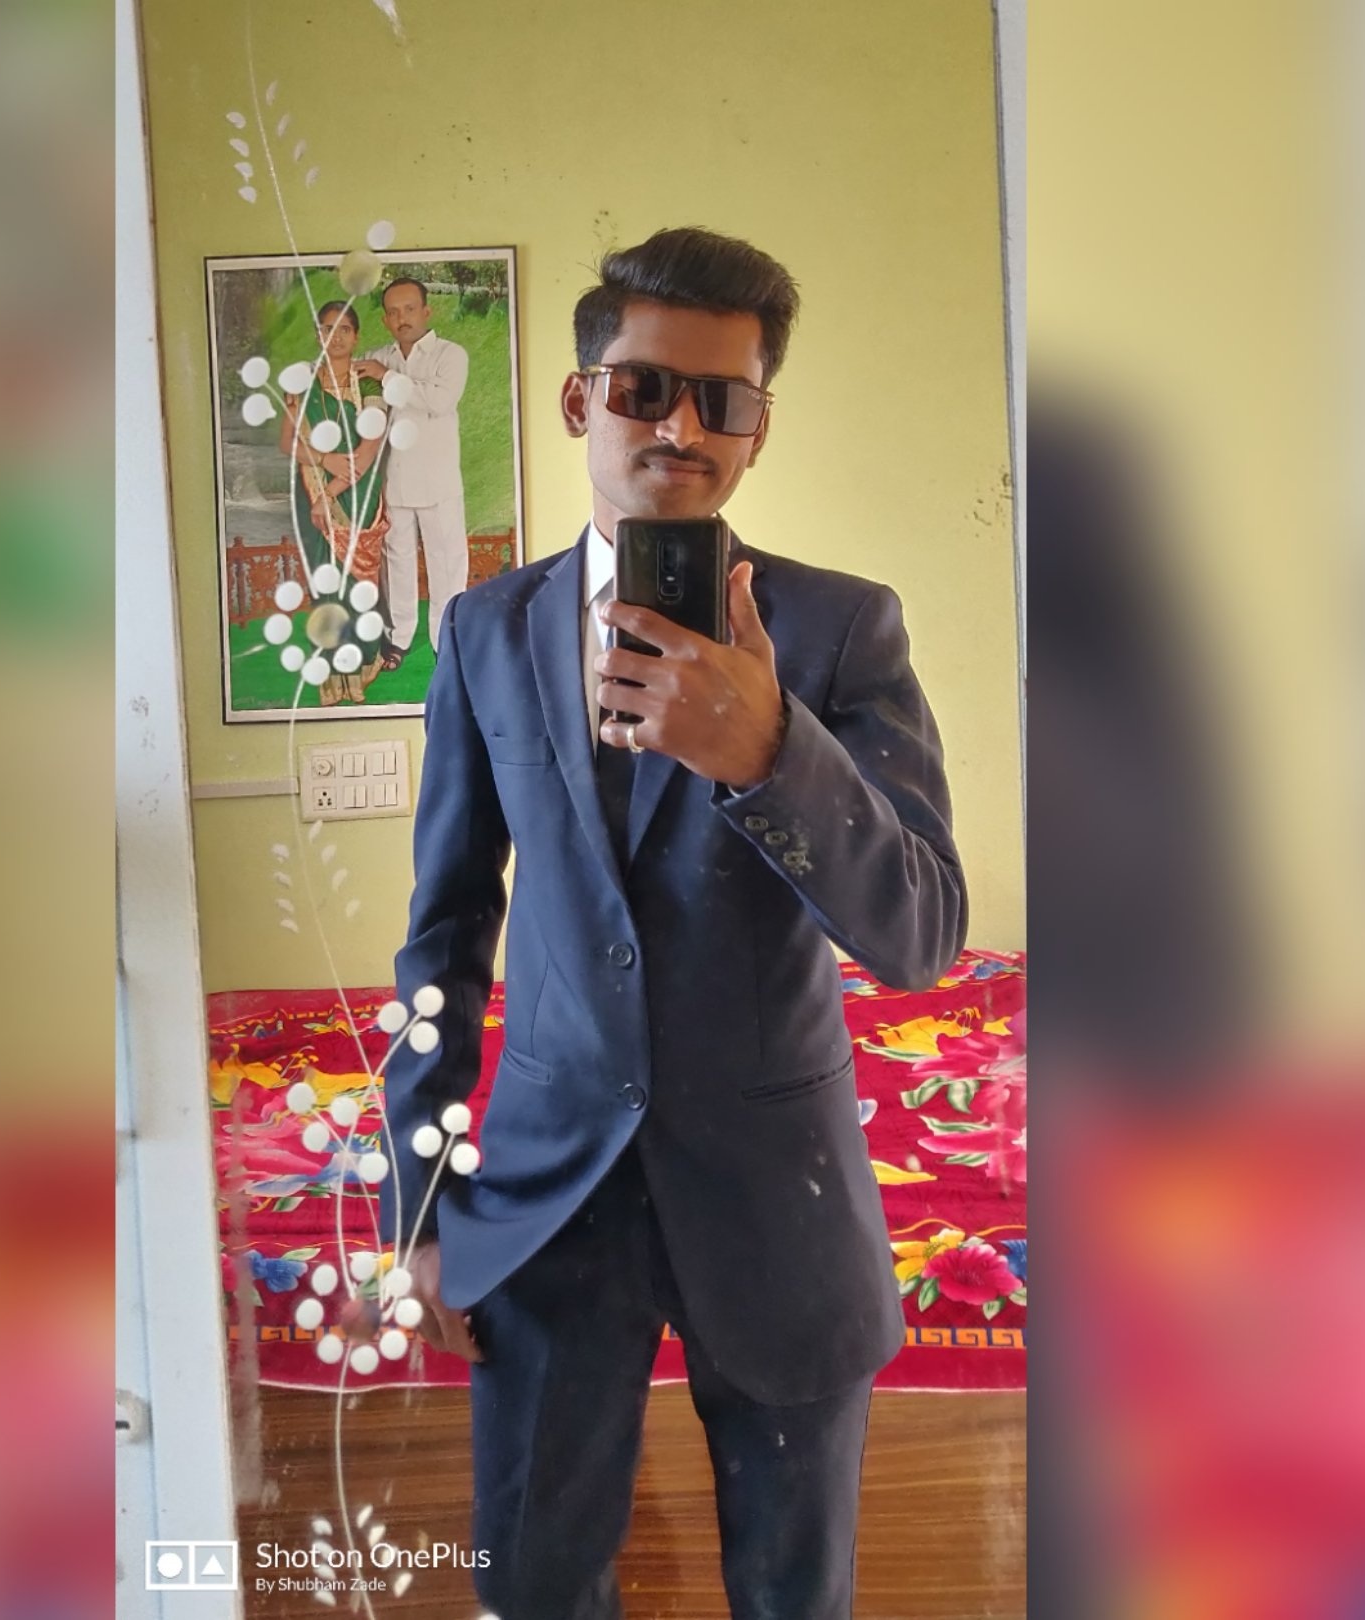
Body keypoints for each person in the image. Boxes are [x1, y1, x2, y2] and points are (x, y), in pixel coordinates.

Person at [377, 229, 968, 1618]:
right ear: (580, 401)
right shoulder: (485, 632)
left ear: (761, 427)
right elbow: (444, 933)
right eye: (645, 389)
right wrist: (416, 1203)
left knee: (792, 1592)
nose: (683, 429)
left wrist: (769, 751)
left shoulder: (840, 631)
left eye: (725, 399)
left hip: (778, 1199)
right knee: (533, 1581)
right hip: (545, 1198)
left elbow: (924, 935)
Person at [279, 300, 388, 705]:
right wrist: (324, 461)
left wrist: (328, 494)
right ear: (317, 335)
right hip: (311, 489)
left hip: (358, 496)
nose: (335, 337)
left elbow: (367, 453)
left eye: (344, 329)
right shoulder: (301, 385)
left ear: (356, 337)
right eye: (327, 329)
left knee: (358, 585)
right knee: (325, 582)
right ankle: (330, 671)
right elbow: (288, 443)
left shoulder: (370, 384)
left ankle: (359, 666)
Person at [356, 277, 469, 665]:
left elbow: (439, 401)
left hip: (439, 483)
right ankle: (398, 639)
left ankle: (445, 642)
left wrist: (386, 377)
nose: (401, 318)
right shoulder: (377, 357)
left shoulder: (450, 355)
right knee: (397, 562)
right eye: (392, 312)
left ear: (426, 311)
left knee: (446, 563)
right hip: (395, 480)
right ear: (385, 320)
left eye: (408, 309)